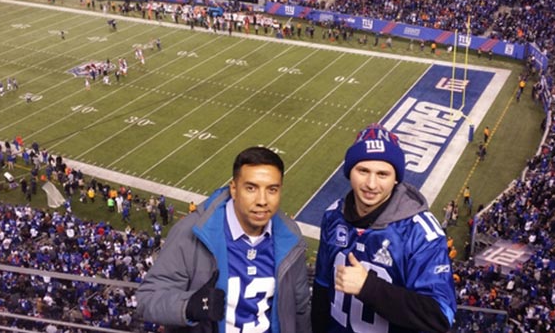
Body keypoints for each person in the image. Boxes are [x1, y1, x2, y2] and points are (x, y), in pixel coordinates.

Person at [137, 147, 311, 332]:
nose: (262, 200)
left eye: (272, 189)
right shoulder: (191, 233)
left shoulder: (290, 236)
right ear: (234, 189)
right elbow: (147, 299)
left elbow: (299, 308)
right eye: (251, 188)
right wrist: (188, 306)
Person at [311, 124, 456, 333]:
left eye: (382, 174)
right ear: (348, 172)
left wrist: (369, 288)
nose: (371, 184)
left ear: (396, 178)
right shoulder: (334, 216)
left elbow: (440, 316)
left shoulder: (420, 233)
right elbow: (322, 288)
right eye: (363, 171)